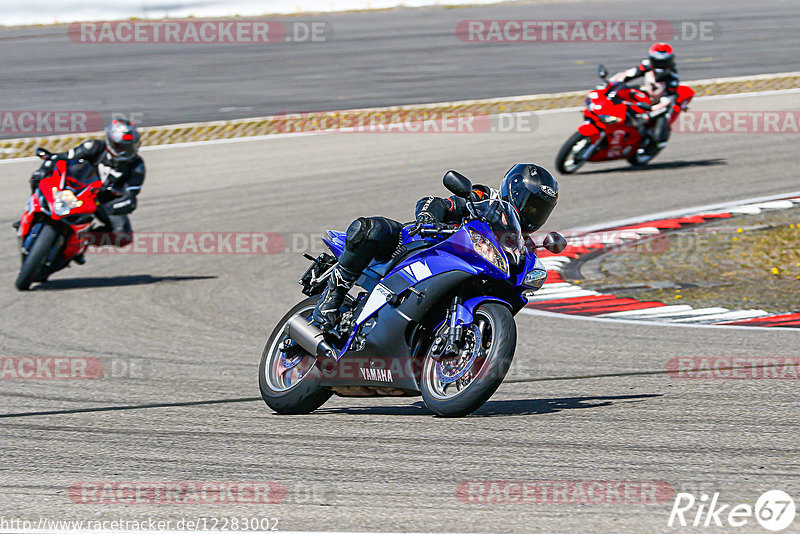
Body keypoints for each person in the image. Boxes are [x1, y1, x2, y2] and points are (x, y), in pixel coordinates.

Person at [311, 163, 558, 331]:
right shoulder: (484, 200)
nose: (532, 213)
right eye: (532, 204)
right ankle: (332, 297)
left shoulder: (521, 242)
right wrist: (429, 218)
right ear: (514, 191)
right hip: (422, 246)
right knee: (371, 229)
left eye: (540, 210)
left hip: (469, 271)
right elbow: (436, 202)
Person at [27, 119, 145, 253]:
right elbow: (62, 158)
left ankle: (82, 240)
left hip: (104, 201)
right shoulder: (93, 147)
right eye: (120, 147)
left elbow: (131, 194)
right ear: (110, 142)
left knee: (123, 236)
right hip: (77, 188)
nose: (124, 152)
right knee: (38, 178)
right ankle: (31, 211)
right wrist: (46, 165)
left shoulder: (137, 165)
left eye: (129, 147)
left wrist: (118, 205)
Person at [611, 42, 679, 150]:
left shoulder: (672, 78)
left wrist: (652, 109)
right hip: (646, 95)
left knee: (658, 134)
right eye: (657, 61)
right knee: (621, 95)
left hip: (660, 104)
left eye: (663, 62)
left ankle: (654, 143)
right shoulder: (647, 66)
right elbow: (629, 74)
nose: (659, 65)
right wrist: (612, 83)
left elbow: (668, 99)